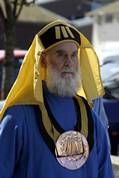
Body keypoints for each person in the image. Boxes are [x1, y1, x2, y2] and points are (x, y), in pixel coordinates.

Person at [0, 20, 114, 178]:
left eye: (73, 55)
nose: (68, 62)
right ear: (44, 61)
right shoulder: (18, 118)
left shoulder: (91, 118)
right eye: (60, 54)